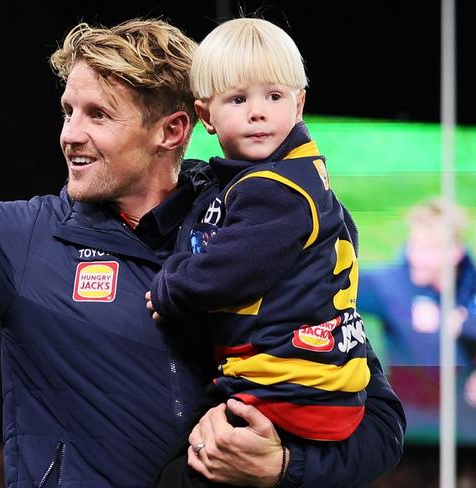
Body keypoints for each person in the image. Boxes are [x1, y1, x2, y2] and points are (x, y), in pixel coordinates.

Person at [0, 17, 404, 488]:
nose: (69, 134)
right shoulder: (27, 243)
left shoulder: (263, 227)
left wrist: (282, 467)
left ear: (173, 130)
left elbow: (380, 422)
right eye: (67, 112)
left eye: (97, 115)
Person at [145, 17, 371, 486]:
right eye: (237, 99)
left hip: (286, 389)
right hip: (319, 386)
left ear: (299, 104)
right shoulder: (306, 179)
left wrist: (170, 288)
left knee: (179, 474)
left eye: (274, 96)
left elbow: (225, 273)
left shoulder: (276, 189)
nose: (258, 112)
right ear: (206, 116)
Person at [358, 197, 476, 439]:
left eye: (430, 249)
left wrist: (453, 322)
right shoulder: (392, 284)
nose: (417, 257)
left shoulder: (470, 287)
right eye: (414, 245)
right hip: (411, 421)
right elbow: (336, 283)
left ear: (455, 253)